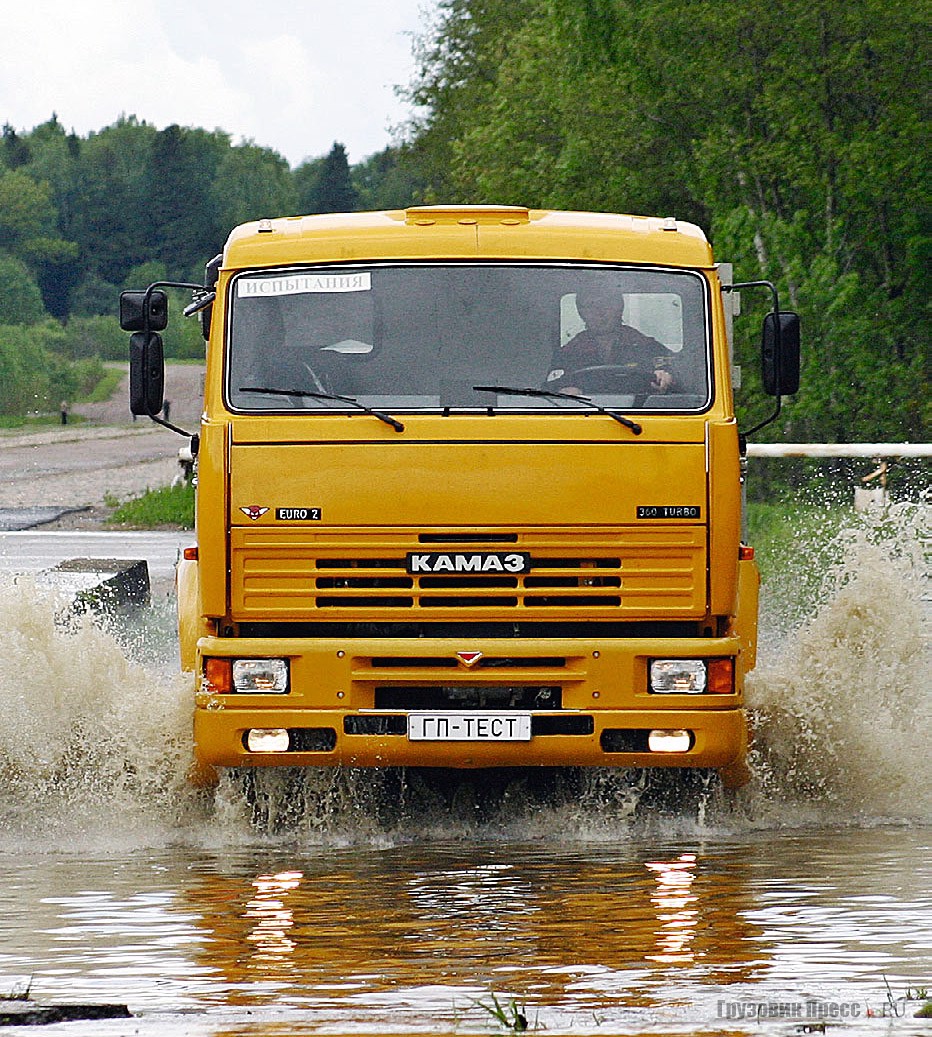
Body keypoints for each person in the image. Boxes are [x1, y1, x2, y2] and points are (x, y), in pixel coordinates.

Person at [546, 288, 680, 394]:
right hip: (583, 419)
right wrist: (563, 391)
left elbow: (682, 379)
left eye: (606, 304)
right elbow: (549, 386)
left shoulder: (645, 345)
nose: (599, 312)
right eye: (590, 306)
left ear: (619, 308)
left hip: (640, 417)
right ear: (581, 312)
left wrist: (667, 377)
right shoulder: (569, 352)